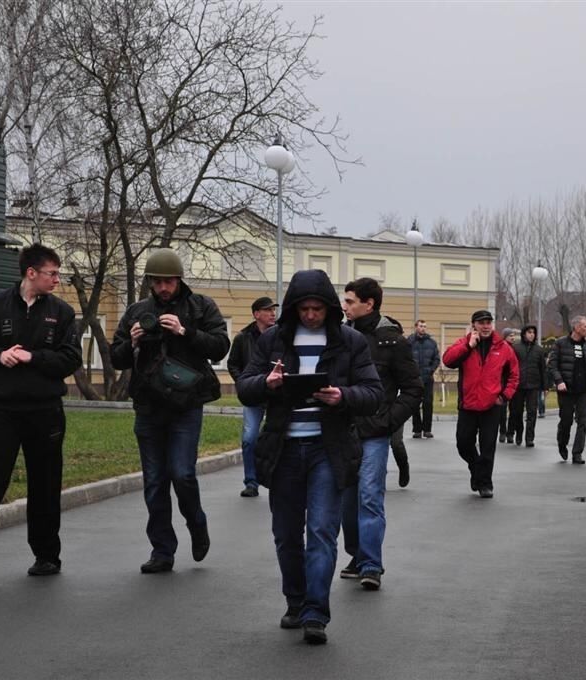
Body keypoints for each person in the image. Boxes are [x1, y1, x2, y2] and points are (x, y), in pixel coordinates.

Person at [236, 269, 382, 645]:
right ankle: (296, 601)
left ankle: (316, 611)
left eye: (318, 308)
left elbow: (373, 393)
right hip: (283, 448)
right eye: (305, 308)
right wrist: (267, 384)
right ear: (293, 308)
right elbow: (244, 388)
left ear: (329, 308)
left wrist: (342, 396)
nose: (312, 315)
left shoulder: (350, 342)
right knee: (286, 534)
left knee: (321, 531)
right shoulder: (272, 340)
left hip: (326, 450)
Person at [0, 245, 82, 580]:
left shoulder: (62, 312)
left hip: (46, 412)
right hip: (2, 411)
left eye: (57, 273)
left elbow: (70, 359)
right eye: (52, 273)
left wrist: (33, 357)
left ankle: (47, 557)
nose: (57, 279)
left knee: (45, 483)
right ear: (31, 273)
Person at [110, 248, 230, 574]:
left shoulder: (200, 306)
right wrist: (132, 341)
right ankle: (162, 550)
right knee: (154, 481)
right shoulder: (138, 310)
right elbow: (116, 358)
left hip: (186, 405)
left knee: (182, 473)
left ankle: (197, 523)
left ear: (179, 280)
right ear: (150, 282)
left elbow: (221, 345)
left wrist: (184, 331)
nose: (163, 287)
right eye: (157, 281)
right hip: (148, 406)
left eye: (169, 281)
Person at [338, 278, 422, 588]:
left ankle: (372, 564)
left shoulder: (392, 341)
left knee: (369, 495)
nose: (344, 306)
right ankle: (357, 554)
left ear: (369, 304)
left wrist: (389, 421)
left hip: (374, 432)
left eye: (350, 301)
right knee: (347, 501)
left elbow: (413, 388)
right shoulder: (340, 337)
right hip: (343, 431)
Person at [442, 310, 519, 498]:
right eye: (481, 323)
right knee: (463, 444)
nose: (486, 326)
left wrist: (505, 395)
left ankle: (485, 483)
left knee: (487, 447)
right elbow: (447, 360)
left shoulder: (503, 347)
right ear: (474, 325)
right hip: (468, 405)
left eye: (488, 323)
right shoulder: (464, 343)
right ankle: (475, 467)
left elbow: (514, 374)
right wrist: (468, 347)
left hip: (491, 406)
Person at [227, 296, 278, 497]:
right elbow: (233, 363)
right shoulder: (243, 337)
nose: (273, 313)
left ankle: (278, 479)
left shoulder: (280, 335)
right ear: (257, 314)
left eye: (274, 310)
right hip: (253, 395)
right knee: (249, 439)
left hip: (276, 395)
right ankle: (251, 482)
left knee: (277, 437)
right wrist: (243, 383)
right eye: (268, 310)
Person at [547, 315, 586, 464]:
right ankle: (562, 443)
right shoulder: (560, 344)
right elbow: (552, 365)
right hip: (566, 391)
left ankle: (577, 453)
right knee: (566, 421)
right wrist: (559, 381)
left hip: (583, 392)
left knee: (583, 422)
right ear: (576, 327)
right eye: (585, 326)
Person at [508, 325, 546, 447]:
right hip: (518, 385)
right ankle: (519, 433)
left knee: (532, 412)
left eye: (533, 333)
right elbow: (510, 366)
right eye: (529, 332)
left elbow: (543, 369)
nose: (532, 335)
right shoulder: (515, 348)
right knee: (517, 411)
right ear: (524, 334)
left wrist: (545, 387)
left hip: (533, 385)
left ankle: (529, 438)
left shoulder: (539, 350)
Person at [408, 319, 440, 439]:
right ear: (416, 327)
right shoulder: (409, 342)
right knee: (415, 404)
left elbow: (436, 359)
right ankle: (417, 430)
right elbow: (405, 358)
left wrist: (430, 370)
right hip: (414, 378)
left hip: (427, 378)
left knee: (428, 404)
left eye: (424, 326)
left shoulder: (431, 343)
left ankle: (427, 430)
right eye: (421, 326)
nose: (423, 328)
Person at [498, 328, 518, 443]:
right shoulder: (502, 348)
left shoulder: (515, 349)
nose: (512, 337)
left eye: (513, 335)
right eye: (510, 335)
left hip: (512, 382)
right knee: (502, 410)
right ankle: (503, 432)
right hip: (502, 382)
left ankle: (510, 432)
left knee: (513, 409)